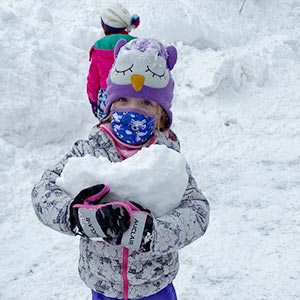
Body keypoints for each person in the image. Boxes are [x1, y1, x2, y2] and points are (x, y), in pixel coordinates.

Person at [32, 38, 210, 300]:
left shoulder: (167, 158)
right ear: (110, 104)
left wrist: (152, 233)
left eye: (146, 103)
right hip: (104, 286)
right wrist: (78, 217)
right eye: (123, 99)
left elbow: (198, 212)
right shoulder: (89, 149)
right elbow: (43, 192)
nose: (132, 109)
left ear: (161, 113)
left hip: (155, 286)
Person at [87, 3, 140, 121]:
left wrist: (93, 100)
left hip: (108, 98)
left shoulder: (99, 47)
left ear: (104, 26)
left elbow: (93, 80)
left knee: (108, 127)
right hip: (134, 96)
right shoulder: (137, 44)